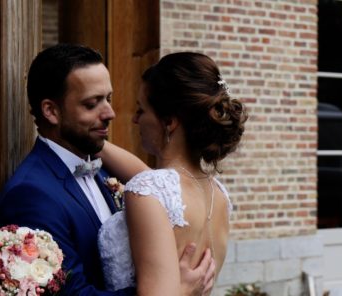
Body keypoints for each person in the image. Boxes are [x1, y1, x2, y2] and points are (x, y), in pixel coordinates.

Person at [0, 44, 215, 295]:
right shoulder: (31, 195)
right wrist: (175, 289)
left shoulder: (105, 172)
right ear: (51, 111)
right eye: (92, 104)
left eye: (107, 98)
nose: (110, 113)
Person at [98, 52, 248, 295]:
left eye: (141, 110)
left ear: (169, 122)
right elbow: (146, 176)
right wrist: (91, 140)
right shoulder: (218, 194)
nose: (135, 120)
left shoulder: (149, 192)